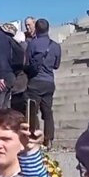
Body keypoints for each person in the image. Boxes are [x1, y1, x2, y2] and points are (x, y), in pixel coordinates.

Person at [24, 18, 61, 148]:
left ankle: (36, 138)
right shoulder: (56, 46)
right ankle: (49, 139)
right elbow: (56, 65)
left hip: (35, 82)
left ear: (37, 29)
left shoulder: (32, 44)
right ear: (48, 29)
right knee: (48, 112)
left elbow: (27, 63)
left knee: (33, 111)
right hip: (49, 82)